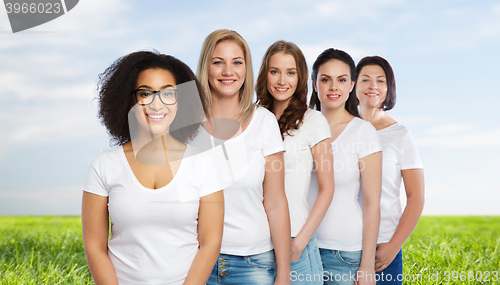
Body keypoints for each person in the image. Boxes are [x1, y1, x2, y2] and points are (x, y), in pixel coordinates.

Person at [81, 51, 224, 285]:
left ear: (181, 101)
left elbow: (210, 243)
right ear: (129, 101)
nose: (157, 104)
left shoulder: (203, 164)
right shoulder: (105, 164)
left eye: (168, 93)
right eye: (145, 93)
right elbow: (95, 247)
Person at [196, 29, 291, 285]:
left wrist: (284, 273)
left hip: (252, 263)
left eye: (237, 62)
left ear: (246, 69)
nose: (229, 71)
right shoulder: (184, 122)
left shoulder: (264, 122)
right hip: (195, 261)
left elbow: (276, 202)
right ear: (206, 67)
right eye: (218, 62)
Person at [256, 40, 334, 284]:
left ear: (300, 78)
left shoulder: (314, 121)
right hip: (256, 241)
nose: (282, 81)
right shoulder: (254, 118)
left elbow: (327, 188)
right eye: (275, 71)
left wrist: (299, 243)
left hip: (294, 239)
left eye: (290, 73)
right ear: (264, 75)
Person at [308, 48, 382, 285]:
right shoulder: (299, 127)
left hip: (344, 255)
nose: (333, 87)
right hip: (301, 249)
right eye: (325, 79)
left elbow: (372, 204)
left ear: (351, 85)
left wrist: (367, 266)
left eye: (341, 80)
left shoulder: (363, 132)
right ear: (315, 83)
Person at [355, 56, 425, 285]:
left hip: (382, 251)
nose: (372, 85)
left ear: (388, 88)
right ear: (353, 85)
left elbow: (416, 197)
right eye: (365, 79)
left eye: (380, 80)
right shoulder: (338, 127)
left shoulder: (400, 135)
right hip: (340, 246)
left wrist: (394, 246)